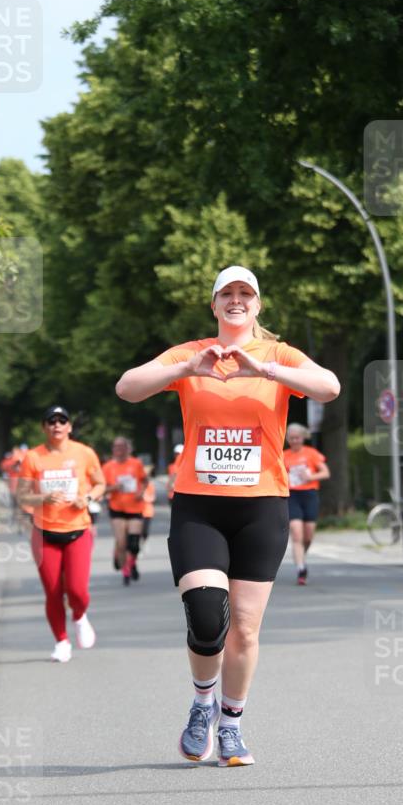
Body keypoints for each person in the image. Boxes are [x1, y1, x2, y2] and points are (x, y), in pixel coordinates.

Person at [116, 265, 340, 766]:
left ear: (258, 305)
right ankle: (202, 703)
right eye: (227, 294)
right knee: (205, 613)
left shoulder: (278, 356)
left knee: (244, 626)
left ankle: (232, 725)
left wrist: (265, 371)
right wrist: (186, 369)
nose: (237, 300)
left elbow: (329, 387)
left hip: (262, 506)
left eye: (246, 293)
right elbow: (127, 387)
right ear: (214, 305)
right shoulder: (190, 354)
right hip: (200, 505)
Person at [17, 406, 106, 663]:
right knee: (53, 591)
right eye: (51, 421)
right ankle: (61, 641)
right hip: (45, 533)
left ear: (69, 427)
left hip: (77, 530)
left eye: (62, 420)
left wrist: (87, 498)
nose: (57, 425)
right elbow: (22, 495)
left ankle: (79, 615)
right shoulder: (33, 457)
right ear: (44, 427)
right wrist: (43, 497)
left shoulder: (84, 453)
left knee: (77, 591)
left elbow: (101, 484)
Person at [283, 423, 330, 584]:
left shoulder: (311, 453)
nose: (294, 441)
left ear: (303, 438)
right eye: (291, 438)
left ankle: (302, 554)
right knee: (297, 534)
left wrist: (311, 477)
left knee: (308, 535)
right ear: (287, 439)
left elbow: (325, 472)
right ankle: (301, 569)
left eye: (297, 438)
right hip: (291, 495)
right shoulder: (283, 455)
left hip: (309, 494)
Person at [102, 437, 148, 584]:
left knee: (134, 543)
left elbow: (145, 480)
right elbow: (101, 488)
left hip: (135, 507)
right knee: (122, 543)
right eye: (116, 447)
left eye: (123, 446)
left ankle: (132, 562)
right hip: (117, 509)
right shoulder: (108, 467)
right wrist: (114, 488)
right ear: (113, 449)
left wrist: (141, 492)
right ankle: (126, 570)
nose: (120, 449)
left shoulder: (136, 464)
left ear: (128, 448)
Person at [140, 466, 156, 549]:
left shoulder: (150, 486)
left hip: (148, 512)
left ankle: (144, 542)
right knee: (137, 531)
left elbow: (152, 498)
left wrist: (145, 497)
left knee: (145, 531)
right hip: (138, 511)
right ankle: (138, 546)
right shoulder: (138, 485)